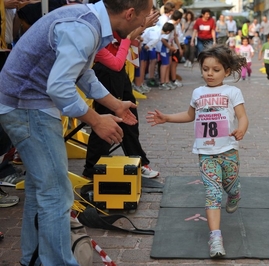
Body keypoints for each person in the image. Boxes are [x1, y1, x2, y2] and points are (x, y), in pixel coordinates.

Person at [0, 0, 153, 265]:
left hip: (25, 103)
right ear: (129, 14)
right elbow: (60, 87)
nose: (141, 27)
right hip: (27, 106)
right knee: (57, 194)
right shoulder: (84, 27)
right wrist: (96, 120)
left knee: (42, 190)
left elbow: (84, 74)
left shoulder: (87, 20)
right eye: (141, 22)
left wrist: (114, 105)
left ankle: (34, 259)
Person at [146, 44, 248, 258]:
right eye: (205, 69)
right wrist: (167, 118)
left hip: (228, 150)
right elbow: (190, 115)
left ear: (227, 71)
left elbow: (242, 116)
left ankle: (235, 193)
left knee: (230, 184)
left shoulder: (232, 91)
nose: (209, 74)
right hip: (205, 152)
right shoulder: (197, 92)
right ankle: (216, 238)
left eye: (216, 70)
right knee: (212, 193)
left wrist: (241, 130)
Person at [84, 24, 160, 180]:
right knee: (105, 121)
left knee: (129, 118)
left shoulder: (113, 22)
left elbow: (124, 45)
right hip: (107, 70)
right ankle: (93, 169)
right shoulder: (103, 23)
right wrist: (133, 33)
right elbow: (116, 58)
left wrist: (135, 31)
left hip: (118, 69)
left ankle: (137, 160)